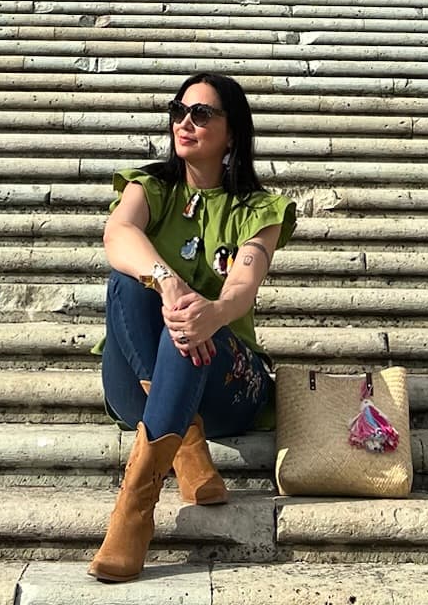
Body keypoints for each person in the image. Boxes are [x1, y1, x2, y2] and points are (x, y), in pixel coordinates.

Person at [89, 71, 296, 583]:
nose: (185, 121)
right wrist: (167, 282)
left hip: (229, 384)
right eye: (179, 111)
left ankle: (133, 511)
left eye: (201, 113)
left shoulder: (259, 208)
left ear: (232, 131)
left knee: (192, 323)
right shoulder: (150, 187)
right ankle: (185, 442)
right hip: (136, 380)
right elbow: (118, 233)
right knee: (127, 284)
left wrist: (213, 312)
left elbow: (243, 286)